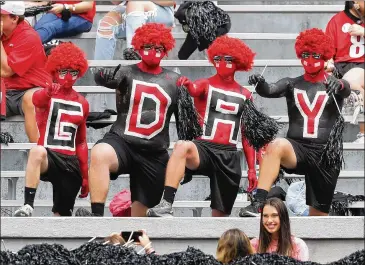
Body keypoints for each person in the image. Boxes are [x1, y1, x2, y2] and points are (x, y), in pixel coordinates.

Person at [75, 23, 201, 217]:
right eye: (148, 47)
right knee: (100, 152)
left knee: (141, 220)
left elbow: (186, 126)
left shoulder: (176, 81)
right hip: (122, 141)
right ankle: (97, 217)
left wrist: (187, 163)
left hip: (154, 151)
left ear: (166, 50)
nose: (153, 52)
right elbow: (102, 79)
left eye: (159, 48)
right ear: (139, 48)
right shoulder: (127, 72)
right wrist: (102, 76)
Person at [147, 36, 279, 218]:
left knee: (220, 218)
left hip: (229, 155)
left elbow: (247, 133)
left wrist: (251, 169)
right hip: (204, 149)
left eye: (227, 59)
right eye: (217, 58)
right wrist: (186, 84)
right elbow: (194, 89)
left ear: (238, 62)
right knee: (182, 146)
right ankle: (166, 203)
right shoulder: (205, 84)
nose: (221, 63)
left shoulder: (246, 94)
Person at [239, 28, 351, 217]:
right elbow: (270, 90)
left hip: (325, 154)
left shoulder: (334, 84)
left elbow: (346, 89)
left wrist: (338, 83)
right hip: (297, 149)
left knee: (318, 218)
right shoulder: (292, 83)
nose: (309, 59)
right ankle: (258, 202)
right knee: (276, 145)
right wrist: (260, 83)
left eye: (315, 55)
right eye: (305, 54)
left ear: (324, 56)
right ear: (300, 55)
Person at [14, 42, 89, 217]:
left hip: (71, 162)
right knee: (37, 151)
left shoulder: (82, 103)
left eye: (73, 72)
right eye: (63, 71)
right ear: (54, 71)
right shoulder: (47, 94)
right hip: (50, 156)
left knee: (61, 218)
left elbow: (81, 141)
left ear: (79, 72)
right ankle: (28, 205)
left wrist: (85, 175)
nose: (68, 77)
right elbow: (36, 100)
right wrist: (48, 91)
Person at [1, 1, 52, 143]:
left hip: (30, 89)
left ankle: (39, 153)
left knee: (32, 99)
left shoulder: (28, 36)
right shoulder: (5, 33)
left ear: (15, 18)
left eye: (1, 16)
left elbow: (6, 71)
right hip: (6, 91)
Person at [325, 1, 364, 143]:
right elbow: (328, 51)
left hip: (361, 67)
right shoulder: (336, 21)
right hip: (341, 68)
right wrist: (328, 63)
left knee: (353, 80)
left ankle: (363, 132)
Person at [94, 1, 175, 60]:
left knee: (135, 2)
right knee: (105, 23)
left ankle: (134, 52)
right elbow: (116, 1)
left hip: (161, 12)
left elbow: (170, 1)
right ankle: (101, 72)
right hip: (131, 10)